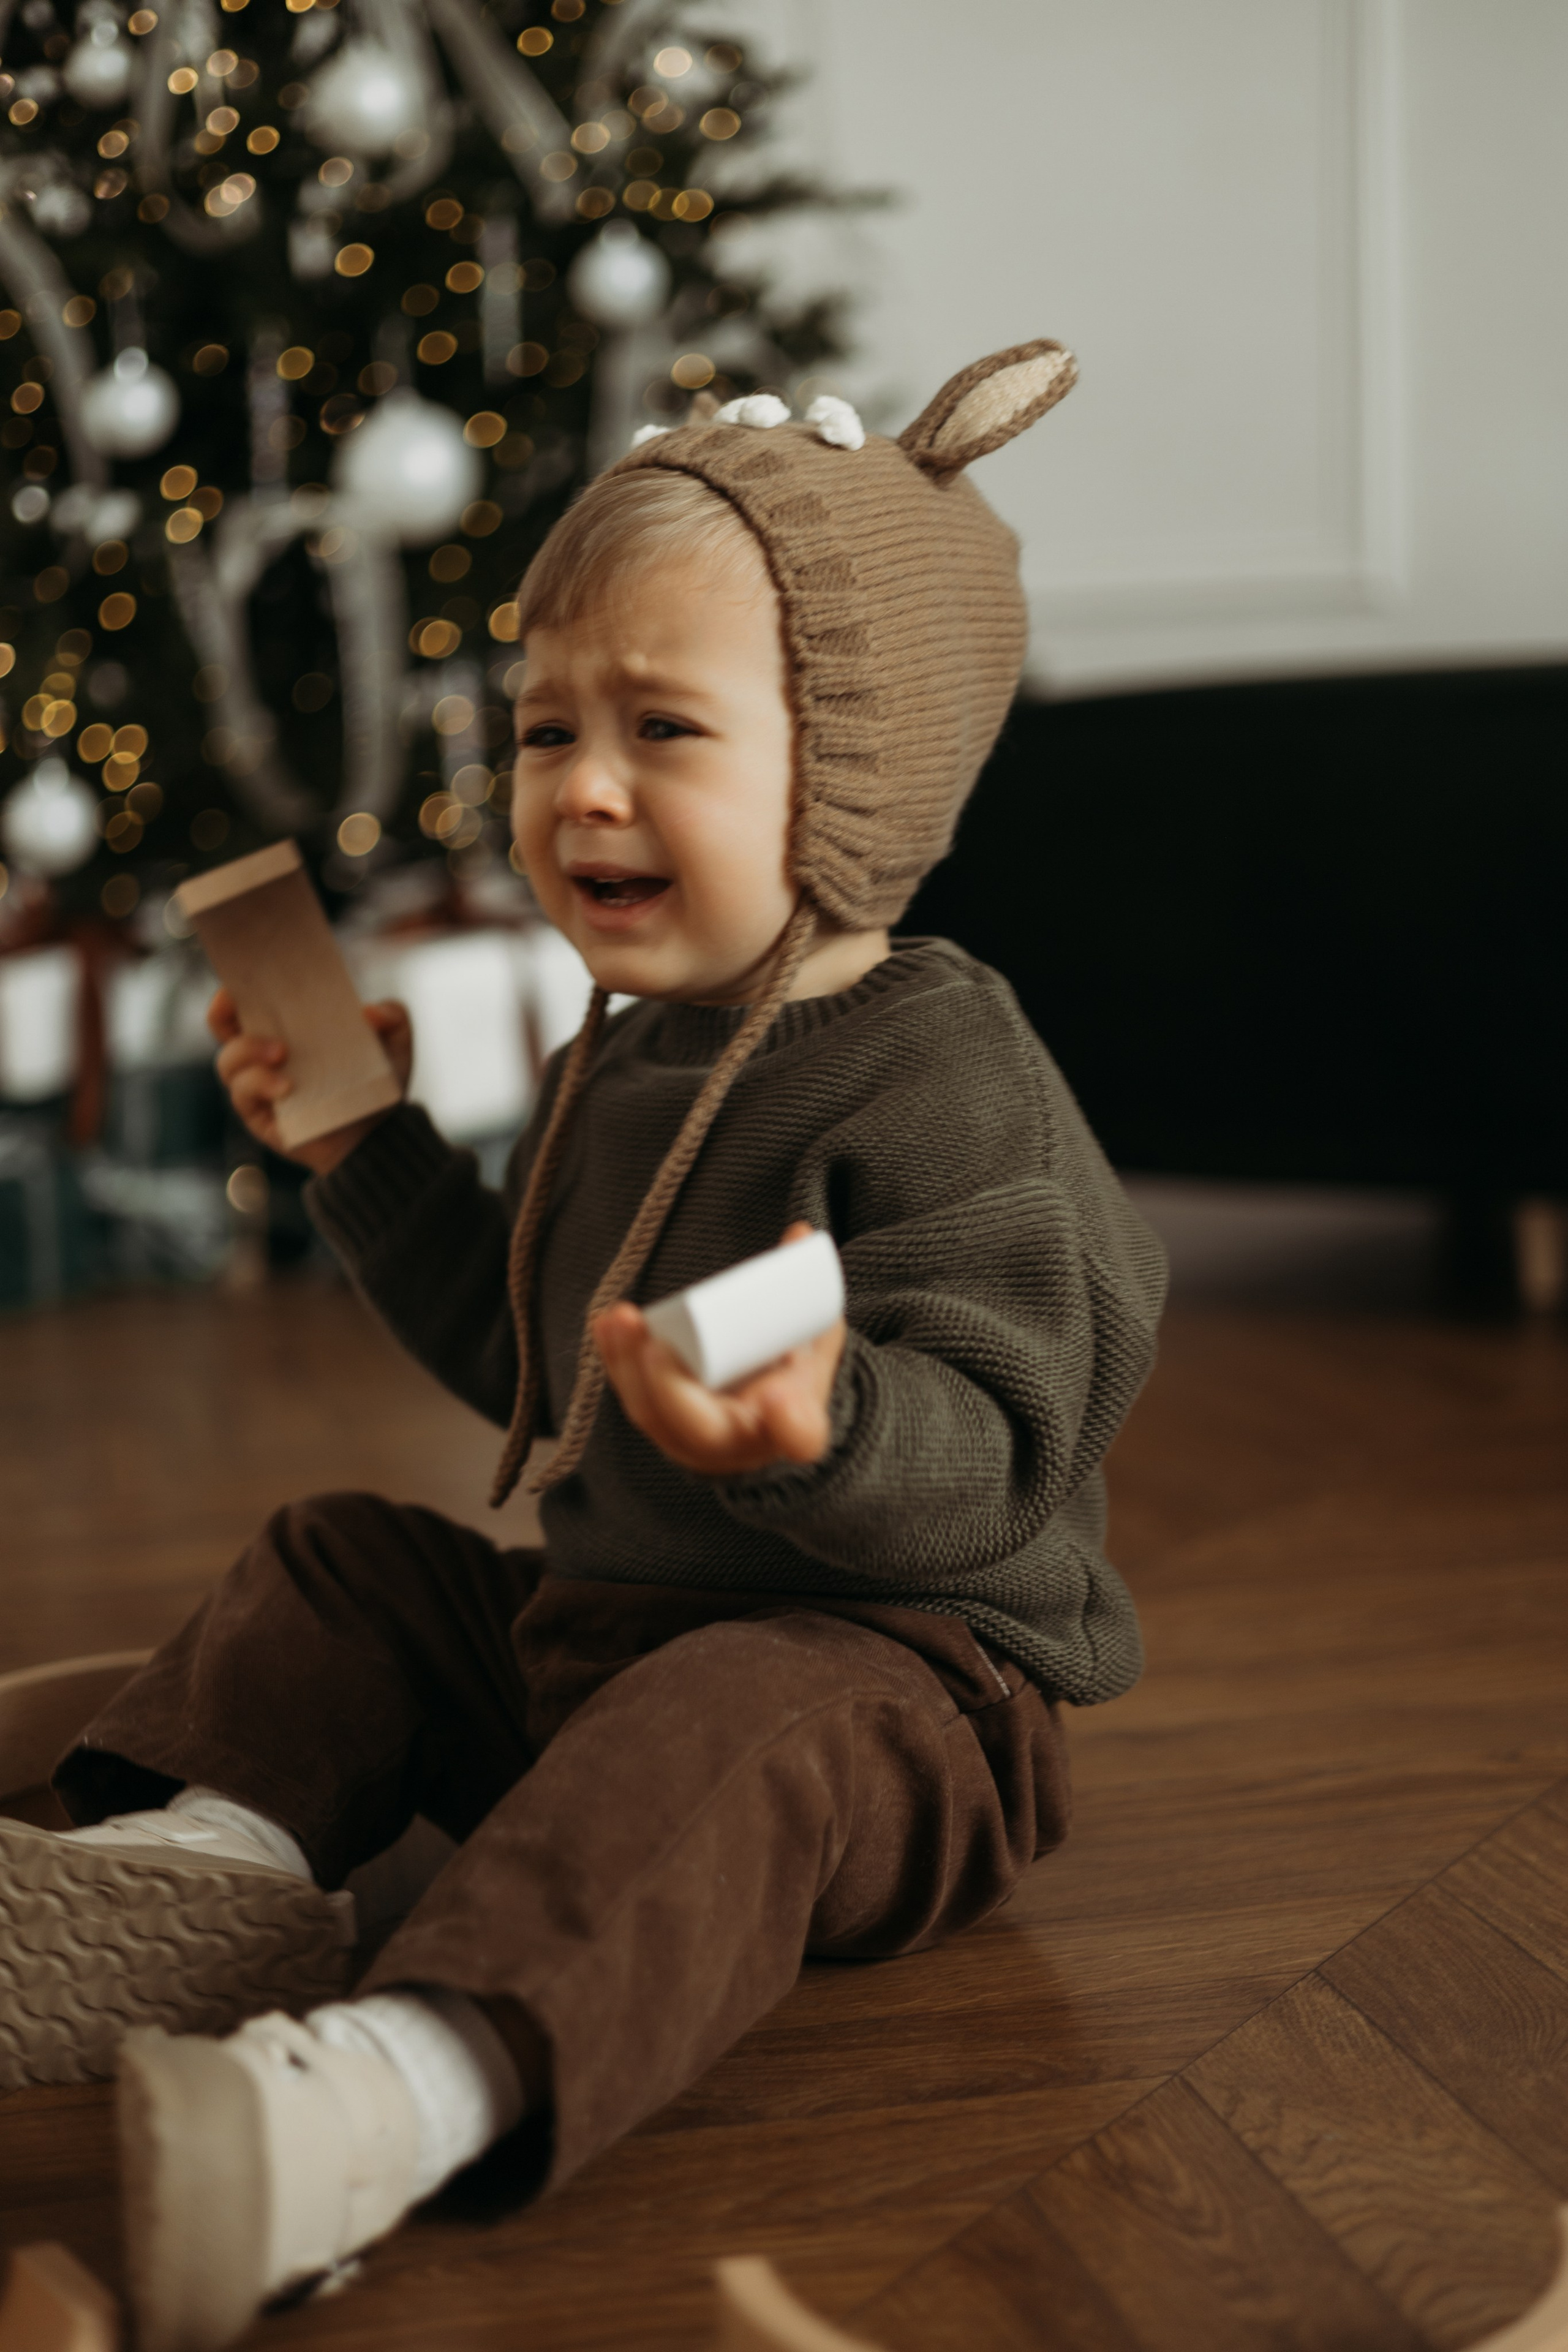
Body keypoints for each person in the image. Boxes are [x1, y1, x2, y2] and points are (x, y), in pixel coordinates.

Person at [0, 344, 1166, 2352]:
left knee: (732, 1721)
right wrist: (361, 1144)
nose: (581, 791)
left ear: (853, 772)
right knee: (345, 1560)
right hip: (602, 1636)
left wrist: (830, 1421)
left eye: (663, 730)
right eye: (547, 732)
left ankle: (392, 2093)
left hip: (899, 1686)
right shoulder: (625, 1058)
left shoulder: (944, 1066)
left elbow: (1012, 1430)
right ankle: (197, 1875)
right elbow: (542, 1372)